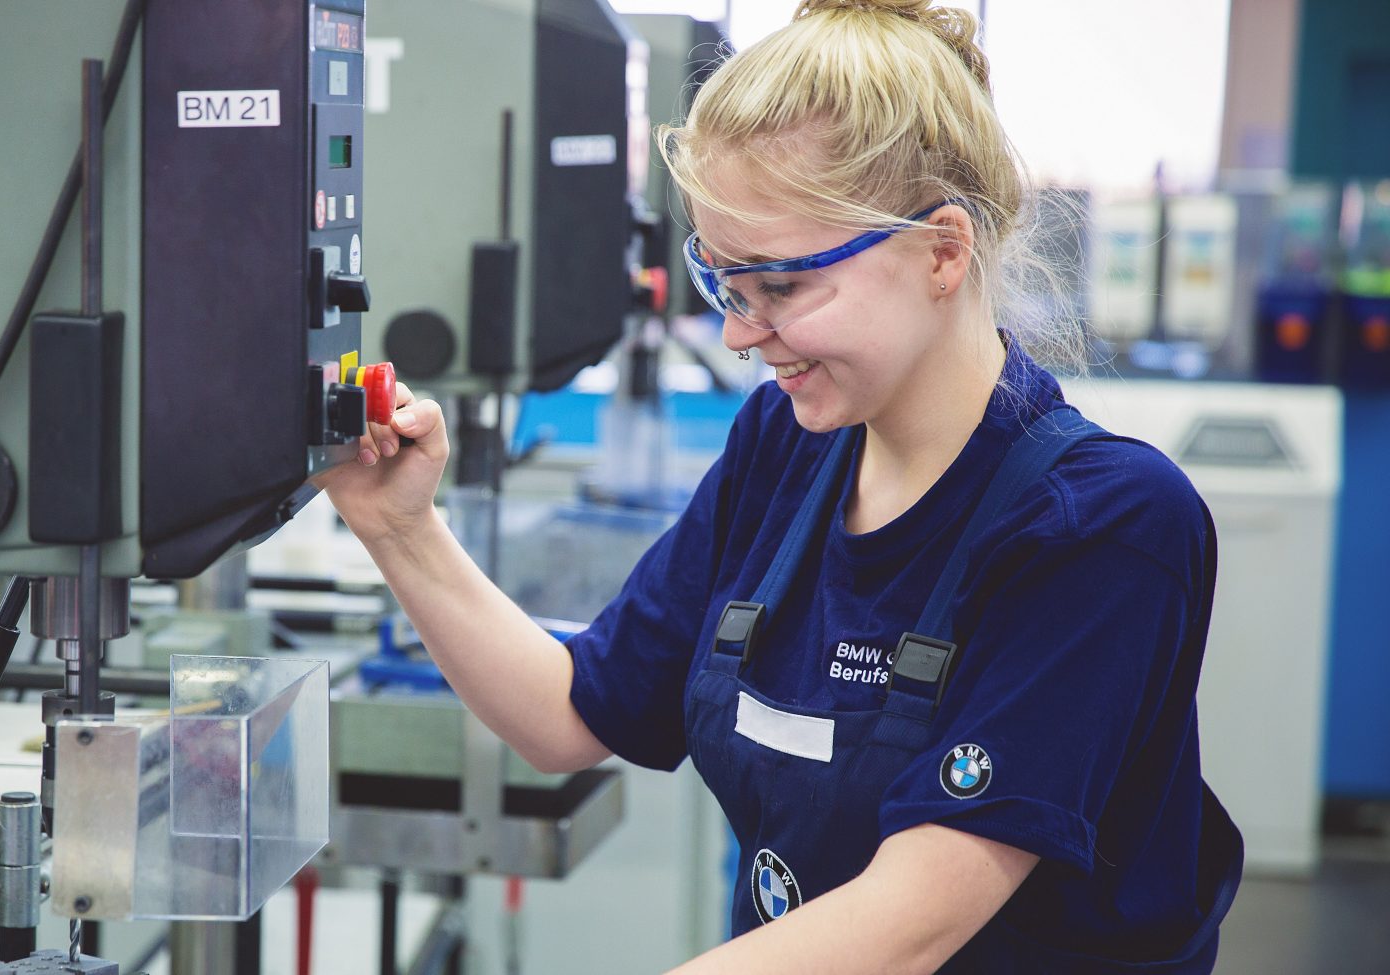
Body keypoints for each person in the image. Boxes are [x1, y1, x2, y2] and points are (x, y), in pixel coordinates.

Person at [316, 0, 1242, 970]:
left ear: (941, 252)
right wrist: (402, 529)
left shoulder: (1106, 525)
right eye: (725, 283)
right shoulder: (785, 447)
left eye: (781, 287)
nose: (737, 333)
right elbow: (570, 714)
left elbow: (909, 924)